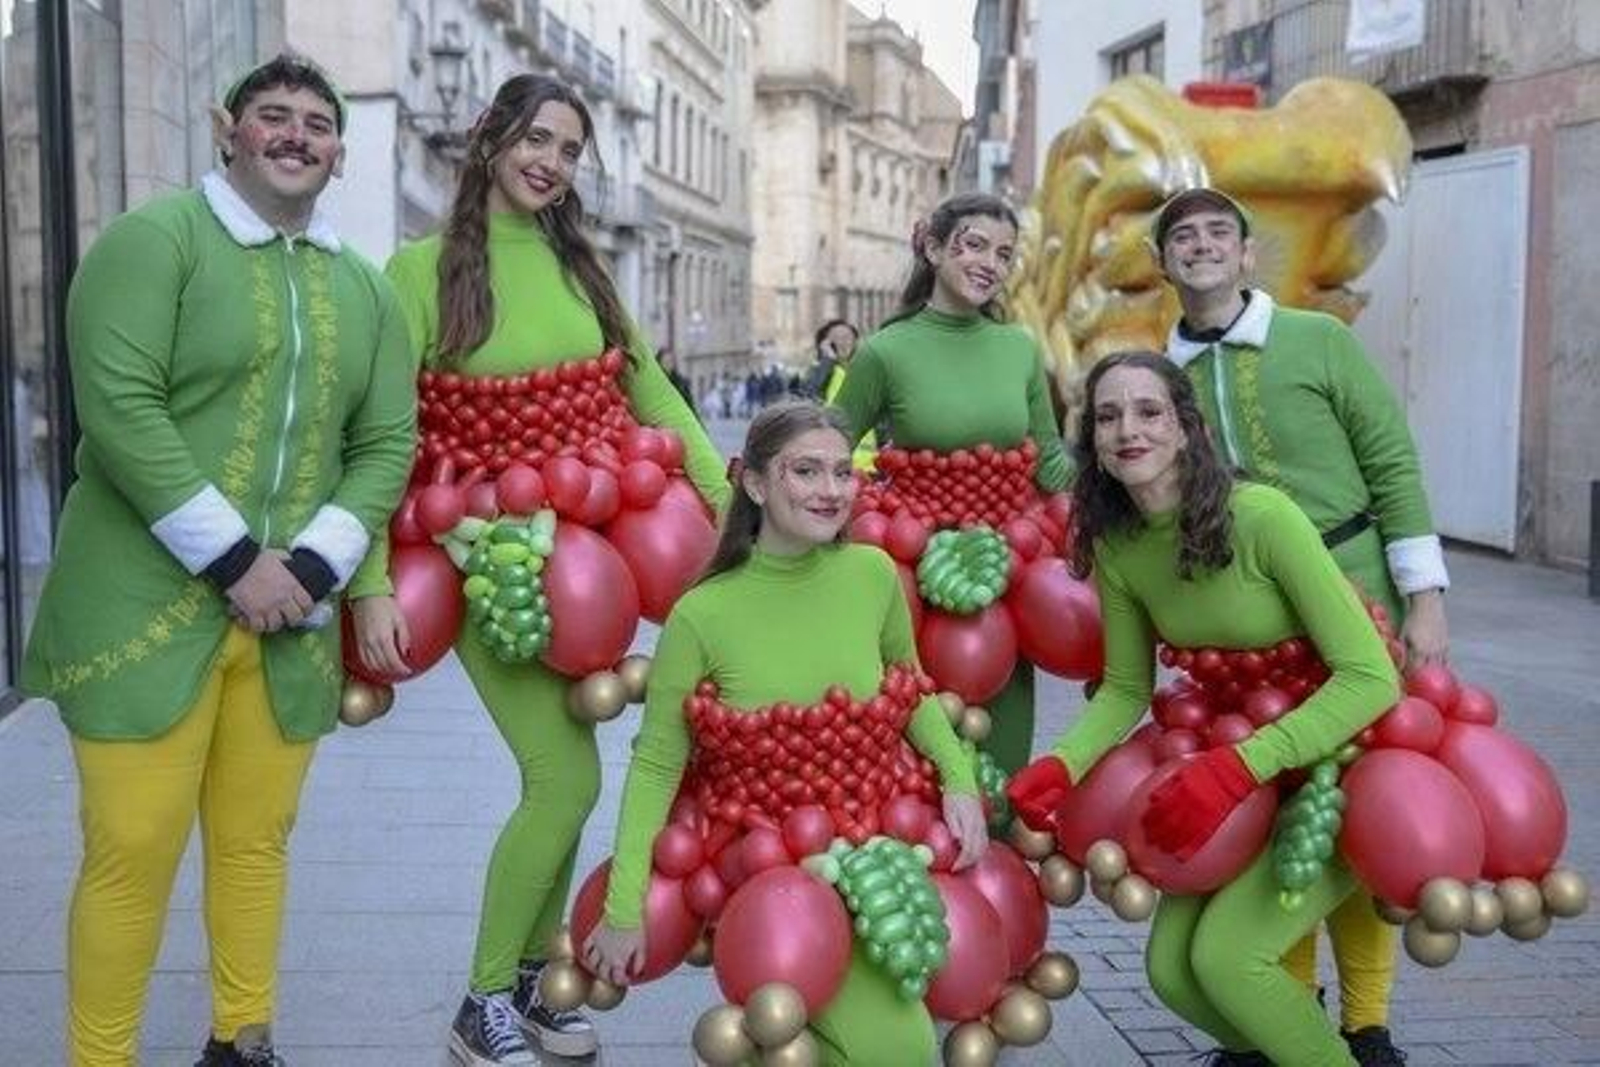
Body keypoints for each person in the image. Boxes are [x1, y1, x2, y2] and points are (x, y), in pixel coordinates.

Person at [22, 53, 416, 1067]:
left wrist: (317, 568)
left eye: (317, 124)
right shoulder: (152, 242)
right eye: (273, 114)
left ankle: (242, 1041)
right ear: (226, 129)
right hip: (139, 607)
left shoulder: (366, 290)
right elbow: (120, 410)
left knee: (256, 843)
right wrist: (239, 560)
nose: (295, 135)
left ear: (339, 154)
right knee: (132, 850)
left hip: (288, 623)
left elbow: (385, 443)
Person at [345, 73, 731, 1067]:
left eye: (567, 149)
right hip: (485, 558)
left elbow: (656, 396)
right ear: (488, 138)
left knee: (571, 775)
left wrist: (730, 511)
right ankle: (482, 999)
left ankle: (523, 979)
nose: (550, 162)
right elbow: (383, 431)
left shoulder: (582, 269)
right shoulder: (418, 271)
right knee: (562, 778)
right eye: (535, 139)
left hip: (591, 553)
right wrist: (372, 581)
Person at [1008, 352, 1399, 1067]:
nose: (1128, 429)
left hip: (1341, 760)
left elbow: (1372, 678)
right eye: (1107, 416)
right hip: (1233, 759)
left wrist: (1239, 767)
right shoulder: (1119, 544)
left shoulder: (1264, 517)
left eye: (1149, 411)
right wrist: (1061, 765)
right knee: (1172, 973)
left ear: (1187, 426)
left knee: (1229, 960)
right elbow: (1126, 688)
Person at [581, 401, 987, 1064]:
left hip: (880, 848)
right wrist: (624, 910)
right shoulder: (702, 615)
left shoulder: (874, 575)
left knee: (903, 1048)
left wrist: (958, 780)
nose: (831, 490)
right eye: (805, 471)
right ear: (754, 482)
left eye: (842, 472)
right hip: (768, 872)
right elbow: (655, 767)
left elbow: (910, 690)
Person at [1153, 185, 1449, 1064]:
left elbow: (1391, 458)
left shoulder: (1320, 339)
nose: (1202, 245)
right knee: (1278, 812)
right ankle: (1285, 1009)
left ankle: (1368, 1022)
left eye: (1219, 232)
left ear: (1247, 254)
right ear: (1164, 263)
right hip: (1250, 630)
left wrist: (1425, 594)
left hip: (1359, 596)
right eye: (1183, 236)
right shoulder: (1162, 377)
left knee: (1361, 806)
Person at [830, 193, 1072, 775]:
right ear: (934, 249)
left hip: (1005, 578)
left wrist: (1130, 484)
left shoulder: (1019, 349)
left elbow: (1050, 463)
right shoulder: (884, 352)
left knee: (1004, 762)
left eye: (1004, 254)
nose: (990, 263)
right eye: (975, 245)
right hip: (911, 585)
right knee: (914, 762)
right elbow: (824, 448)